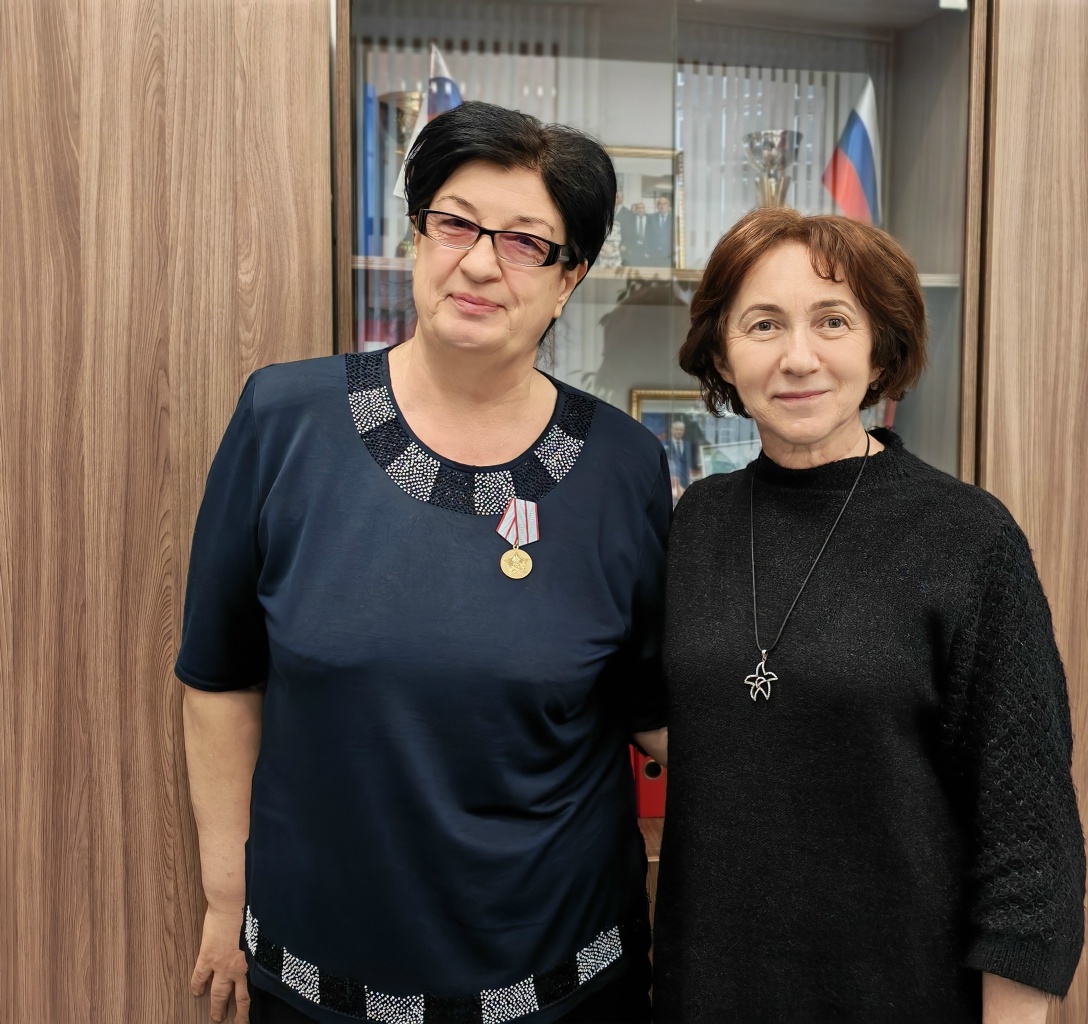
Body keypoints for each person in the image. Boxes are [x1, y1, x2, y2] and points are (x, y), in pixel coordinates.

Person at [178, 100, 670, 1024]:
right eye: (455, 223)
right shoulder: (283, 422)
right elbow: (219, 678)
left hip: (560, 976)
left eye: (526, 243)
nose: (479, 263)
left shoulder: (625, 466)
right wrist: (222, 898)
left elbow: (655, 709)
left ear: (570, 279)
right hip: (320, 967)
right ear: (417, 235)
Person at [651, 207, 1086, 1023]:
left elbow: (1028, 831)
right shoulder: (696, 522)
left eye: (833, 321)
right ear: (721, 354)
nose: (798, 356)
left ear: (881, 348)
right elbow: (674, 712)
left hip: (902, 992)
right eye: (764, 324)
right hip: (708, 988)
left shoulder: (967, 537)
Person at [663, 420, 701, 502]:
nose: (679, 431)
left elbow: (692, 463)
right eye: (676, 429)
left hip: (686, 482)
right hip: (672, 483)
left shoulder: (688, 444)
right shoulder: (665, 444)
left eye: (681, 429)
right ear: (671, 430)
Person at [644, 195, 675, 267]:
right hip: (653, 253)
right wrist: (646, 251)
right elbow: (647, 235)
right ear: (657, 206)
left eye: (665, 204)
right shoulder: (651, 218)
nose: (662, 206)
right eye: (660, 204)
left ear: (668, 206)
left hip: (668, 254)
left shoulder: (673, 218)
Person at [619, 201, 647, 267]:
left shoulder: (650, 219)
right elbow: (626, 234)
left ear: (645, 209)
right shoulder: (629, 220)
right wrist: (625, 245)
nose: (640, 210)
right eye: (638, 208)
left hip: (646, 248)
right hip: (633, 248)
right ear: (635, 210)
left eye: (642, 208)